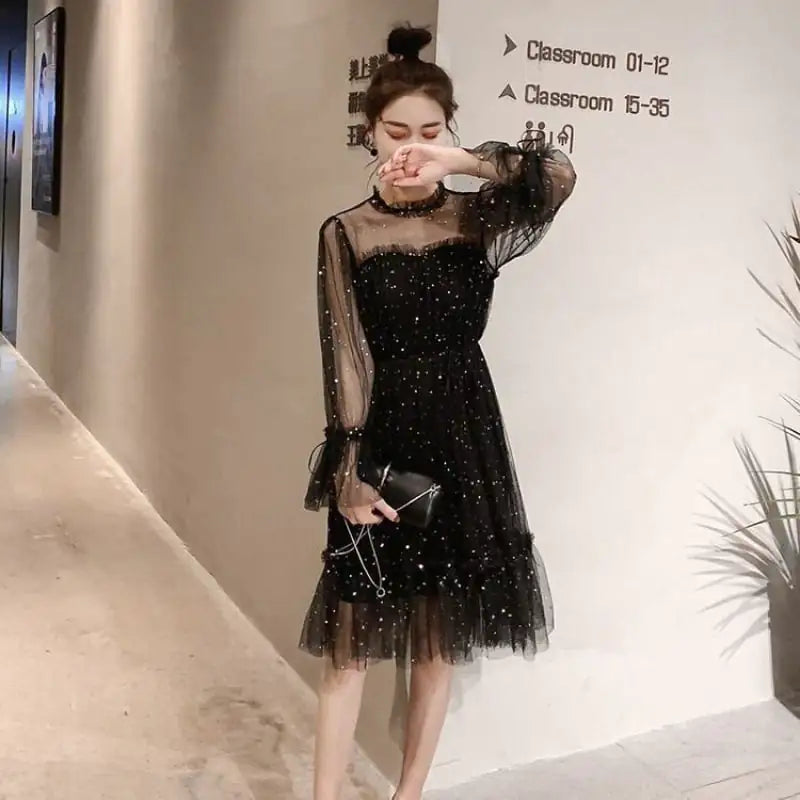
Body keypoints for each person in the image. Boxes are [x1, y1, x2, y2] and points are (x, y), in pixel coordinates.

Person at [301, 25, 577, 800]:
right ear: (369, 133)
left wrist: (461, 163)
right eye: (397, 132)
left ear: (448, 130)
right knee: (350, 641)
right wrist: (350, 470)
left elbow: (557, 176)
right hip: (384, 435)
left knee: (437, 636)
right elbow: (346, 357)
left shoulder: (475, 217)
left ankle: (409, 793)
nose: (412, 146)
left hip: (464, 435)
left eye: (430, 130)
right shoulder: (347, 231)